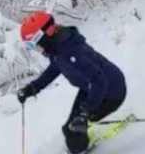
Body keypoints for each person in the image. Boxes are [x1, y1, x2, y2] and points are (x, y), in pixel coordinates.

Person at [17, 11, 126, 154]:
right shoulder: (57, 48)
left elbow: (100, 81)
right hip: (90, 88)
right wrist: (32, 88)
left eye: (33, 45)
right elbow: (54, 69)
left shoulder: (71, 51)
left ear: (43, 37)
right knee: (69, 129)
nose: (37, 50)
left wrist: (85, 112)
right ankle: (81, 140)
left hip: (111, 92)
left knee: (74, 133)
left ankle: (80, 148)